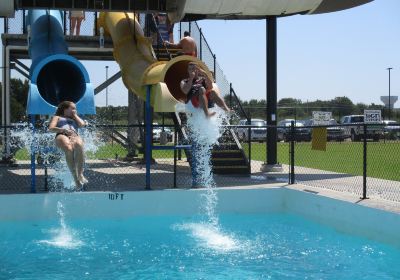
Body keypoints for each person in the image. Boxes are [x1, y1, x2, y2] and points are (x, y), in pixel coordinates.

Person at [49, 101, 87, 189]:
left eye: (75, 109)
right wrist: (63, 130)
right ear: (65, 109)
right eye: (73, 108)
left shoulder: (75, 118)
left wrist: (75, 115)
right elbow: (51, 128)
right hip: (61, 134)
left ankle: (80, 174)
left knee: (79, 144)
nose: (75, 110)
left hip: (74, 135)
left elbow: (82, 125)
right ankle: (75, 179)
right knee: (68, 148)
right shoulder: (57, 117)